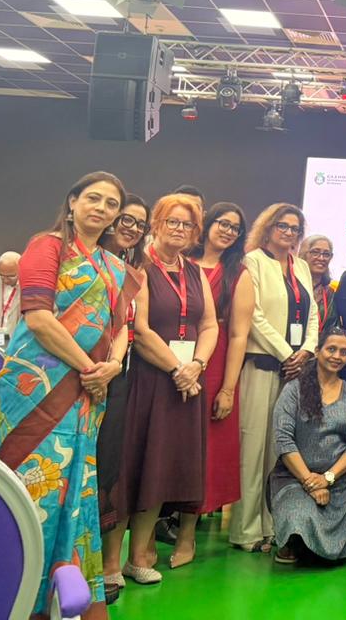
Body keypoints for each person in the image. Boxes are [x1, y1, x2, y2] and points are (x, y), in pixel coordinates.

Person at [0, 172, 130, 620]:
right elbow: (38, 318)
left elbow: (122, 325)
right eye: (93, 198)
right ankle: (17, 595)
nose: (101, 208)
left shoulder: (114, 266)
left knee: (76, 487)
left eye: (111, 204)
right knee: (34, 486)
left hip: (88, 391)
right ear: (72, 202)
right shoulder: (47, 246)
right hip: (36, 388)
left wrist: (113, 364)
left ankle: (65, 595)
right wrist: (91, 368)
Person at [117, 194, 218, 581]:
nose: (179, 229)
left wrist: (197, 365)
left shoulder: (194, 272)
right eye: (172, 222)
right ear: (155, 225)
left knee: (162, 469)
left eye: (187, 224)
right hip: (149, 380)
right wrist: (178, 368)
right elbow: (140, 330)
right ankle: (116, 559)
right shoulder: (140, 266)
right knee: (137, 465)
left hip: (187, 383)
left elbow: (209, 325)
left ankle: (139, 556)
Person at [232, 203, 320, 553]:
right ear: (267, 228)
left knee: (278, 450)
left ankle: (270, 524)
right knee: (252, 448)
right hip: (263, 365)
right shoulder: (252, 261)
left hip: (295, 370)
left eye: (295, 228)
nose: (288, 233)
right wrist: (287, 353)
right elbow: (252, 315)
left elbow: (313, 313)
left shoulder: (301, 265)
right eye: (282, 226)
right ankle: (245, 530)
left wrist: (307, 350)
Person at [182, 202, 254, 565]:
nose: (227, 231)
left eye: (235, 228)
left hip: (215, 365)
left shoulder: (238, 274)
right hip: (173, 357)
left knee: (205, 452)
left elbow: (239, 335)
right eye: (222, 223)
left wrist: (227, 388)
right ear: (207, 224)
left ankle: (187, 536)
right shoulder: (182, 261)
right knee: (173, 445)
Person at [271, 326, 346, 564]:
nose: (337, 356)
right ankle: (293, 539)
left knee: (332, 555)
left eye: (343, 352)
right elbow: (283, 439)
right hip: (294, 478)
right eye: (331, 349)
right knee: (299, 518)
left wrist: (327, 479)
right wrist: (310, 482)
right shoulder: (293, 390)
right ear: (317, 351)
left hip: (338, 483)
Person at [97, 195, 150, 603]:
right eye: (126, 219)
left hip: (116, 377)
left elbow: (124, 328)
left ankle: (95, 567)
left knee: (106, 470)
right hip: (73, 375)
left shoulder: (131, 272)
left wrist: (113, 366)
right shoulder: (76, 259)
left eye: (139, 224)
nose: (131, 228)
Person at [299, 234, 336, 330]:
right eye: (315, 252)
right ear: (303, 254)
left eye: (326, 254)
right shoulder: (291, 287)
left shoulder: (330, 293)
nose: (321, 258)